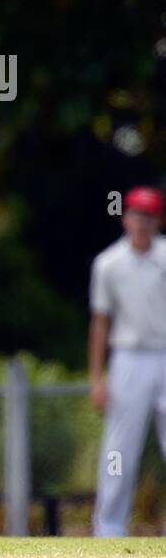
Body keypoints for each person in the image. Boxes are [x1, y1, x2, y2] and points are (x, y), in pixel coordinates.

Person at [88, 185, 166, 536]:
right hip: (129, 359)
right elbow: (100, 321)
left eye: (149, 216)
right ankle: (108, 529)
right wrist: (97, 378)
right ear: (125, 218)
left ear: (157, 220)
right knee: (119, 449)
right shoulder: (108, 264)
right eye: (137, 215)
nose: (142, 223)